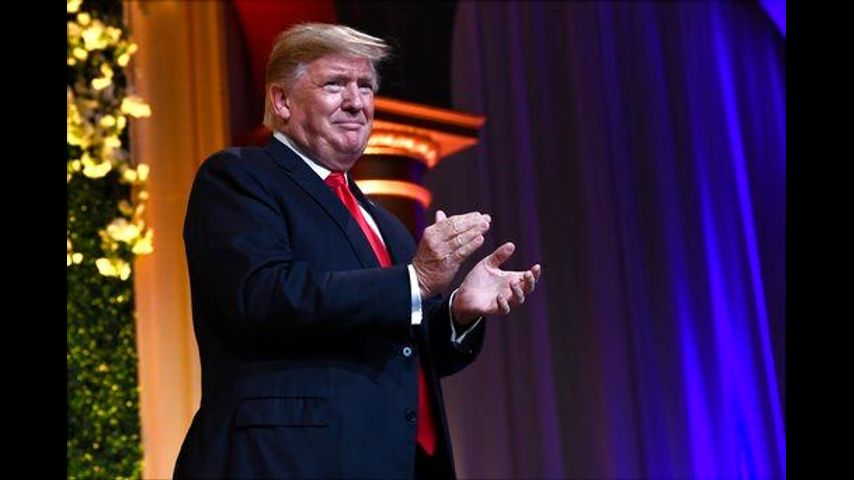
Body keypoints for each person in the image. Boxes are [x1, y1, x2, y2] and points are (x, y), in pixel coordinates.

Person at [174, 23, 541, 479]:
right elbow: (263, 297)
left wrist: (457, 313)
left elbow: (401, 354)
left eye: (365, 86)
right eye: (335, 84)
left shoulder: (385, 224)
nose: (356, 101)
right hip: (287, 462)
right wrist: (415, 281)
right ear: (281, 100)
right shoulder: (238, 179)